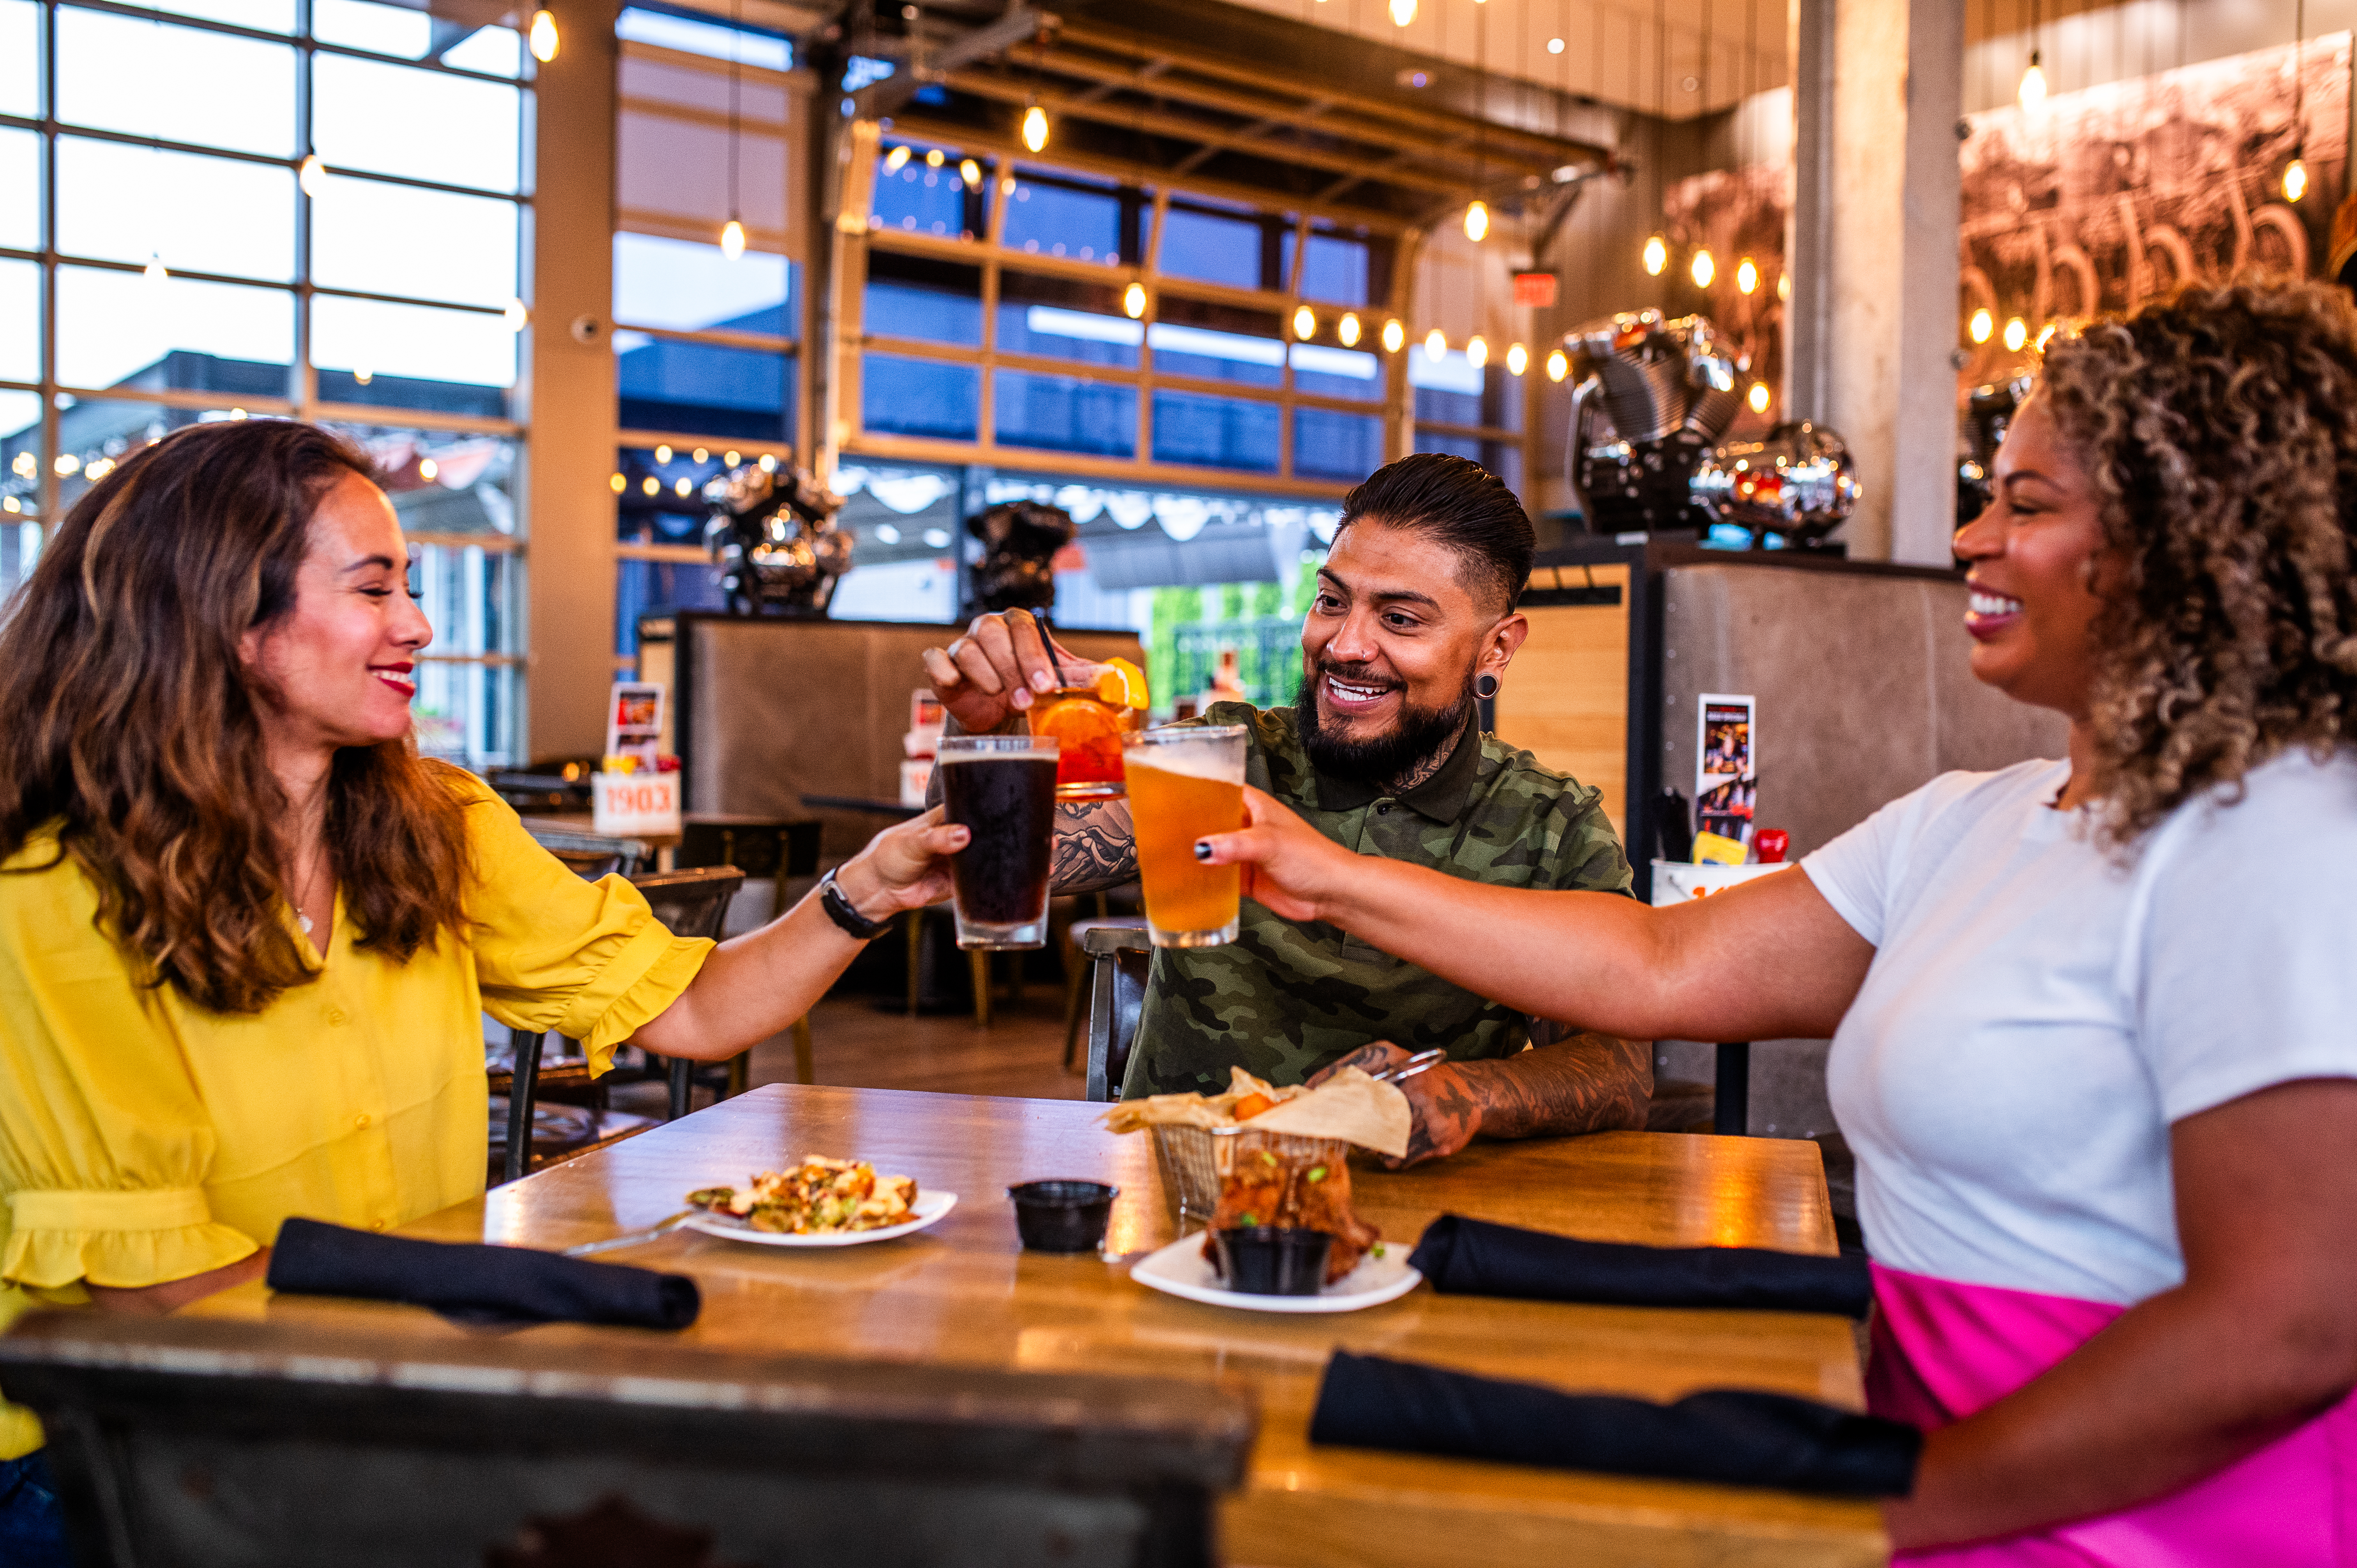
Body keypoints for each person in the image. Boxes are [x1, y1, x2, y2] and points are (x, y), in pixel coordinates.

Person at [1196, 277, 2357, 1561]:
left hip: (2110, 1521)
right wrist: (1315, 868)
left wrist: (1891, 1503)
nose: (1967, 541)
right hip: (1935, 1462)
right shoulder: (1977, 818)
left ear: (2184, 541)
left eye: (2021, 505)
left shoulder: (2278, 834)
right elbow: (1653, 963)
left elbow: (2292, 1316)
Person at [0, 421, 966, 1562]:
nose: (417, 624)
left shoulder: (431, 822)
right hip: (109, 1461)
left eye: (410, 586)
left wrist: (867, 887)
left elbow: (699, 1010)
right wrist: (519, 1335)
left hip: (376, 1414)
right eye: (374, 589)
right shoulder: (49, 890)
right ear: (223, 614)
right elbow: (156, 1289)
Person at [923, 453, 1650, 1164]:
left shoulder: (1551, 826)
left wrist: (1472, 1092)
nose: (1343, 644)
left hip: (1417, 1210)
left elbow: (1620, 1069)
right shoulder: (1221, 756)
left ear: (1495, 649)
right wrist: (983, 730)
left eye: (1399, 619)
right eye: (1332, 601)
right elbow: (976, 860)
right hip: (1178, 1187)